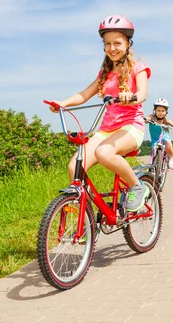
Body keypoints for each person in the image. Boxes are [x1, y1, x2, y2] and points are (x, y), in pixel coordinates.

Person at [49, 14, 151, 211]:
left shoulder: (138, 68)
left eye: (117, 43)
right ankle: (83, 217)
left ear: (128, 43)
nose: (112, 48)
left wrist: (129, 97)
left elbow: (142, 95)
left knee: (103, 152)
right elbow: (84, 95)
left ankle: (137, 187)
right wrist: (63, 103)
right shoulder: (105, 74)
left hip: (130, 127)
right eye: (107, 44)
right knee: (75, 167)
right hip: (106, 130)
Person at [144, 98, 173, 170]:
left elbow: (172, 124)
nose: (160, 112)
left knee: (169, 148)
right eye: (158, 110)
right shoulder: (152, 117)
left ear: (166, 112)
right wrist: (147, 119)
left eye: (163, 111)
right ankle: (152, 164)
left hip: (164, 136)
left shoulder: (165, 120)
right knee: (154, 152)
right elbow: (148, 118)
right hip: (155, 138)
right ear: (155, 111)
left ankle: (170, 160)